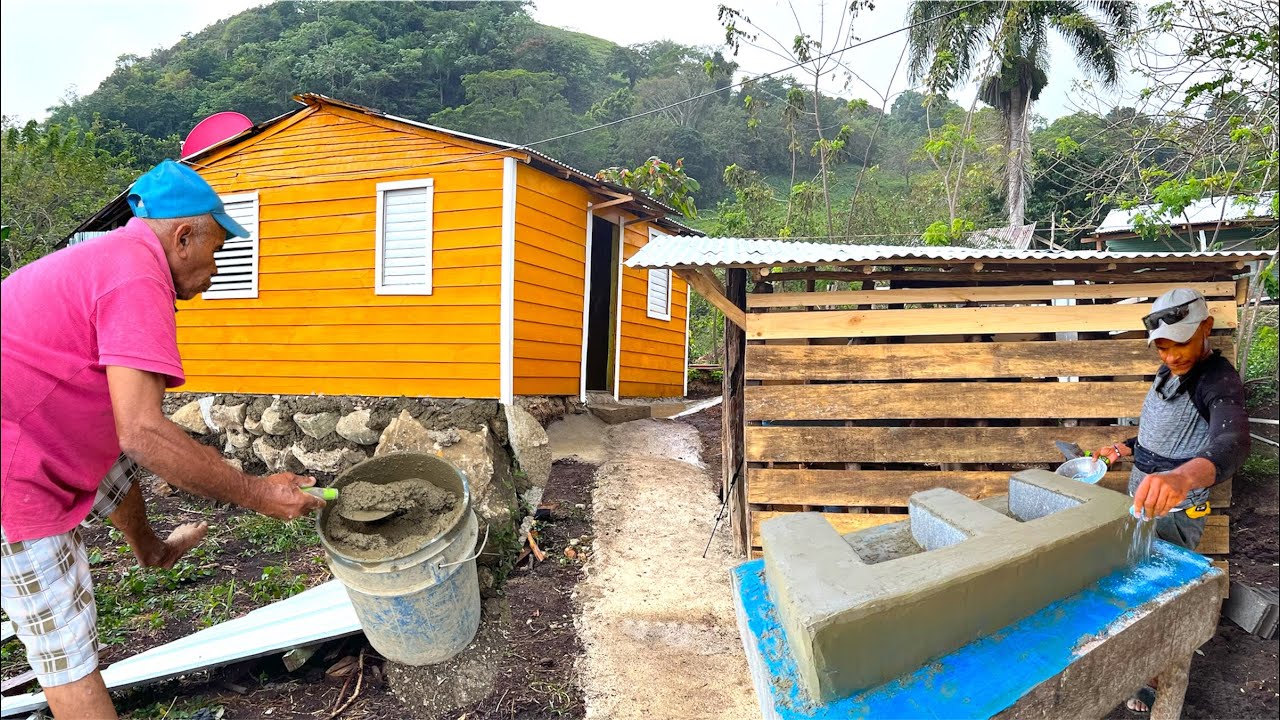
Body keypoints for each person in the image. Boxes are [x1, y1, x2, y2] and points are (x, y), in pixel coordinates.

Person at [1, 160, 326, 719]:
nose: (216, 267)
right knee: (66, 653)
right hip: (12, 473)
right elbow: (144, 434)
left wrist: (150, 547)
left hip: (32, 434)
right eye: (216, 250)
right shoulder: (137, 276)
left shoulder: (111, 261)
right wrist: (258, 493)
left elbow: (115, 447)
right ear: (183, 237)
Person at [1092, 287, 1250, 712]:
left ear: (1206, 327)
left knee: (1159, 600)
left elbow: (1234, 442)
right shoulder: (1169, 373)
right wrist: (1124, 447)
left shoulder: (1218, 381)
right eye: (1162, 347)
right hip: (1142, 506)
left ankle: (1156, 680)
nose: (1171, 355)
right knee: (1136, 595)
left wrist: (1184, 476)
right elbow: (1161, 437)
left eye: (1180, 343)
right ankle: (1138, 669)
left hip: (1176, 515)